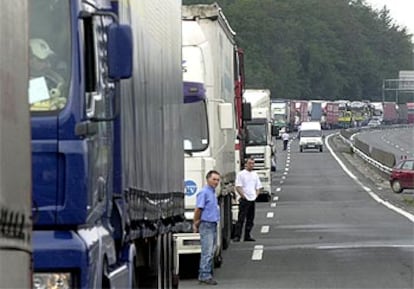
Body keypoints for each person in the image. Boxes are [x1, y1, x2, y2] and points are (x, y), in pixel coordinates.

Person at [193, 170, 221, 285]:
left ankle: (206, 273)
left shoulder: (212, 192)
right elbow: (198, 209)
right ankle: (204, 275)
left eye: (218, 180)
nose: (216, 182)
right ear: (207, 179)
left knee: (212, 250)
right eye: (214, 179)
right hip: (206, 224)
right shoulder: (204, 192)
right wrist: (196, 222)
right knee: (207, 251)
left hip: (213, 224)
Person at [233, 158, 263, 242]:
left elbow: (258, 187)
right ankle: (237, 236)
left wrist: (256, 195)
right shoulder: (241, 174)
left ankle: (247, 235)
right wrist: (243, 196)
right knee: (241, 218)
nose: (251, 165)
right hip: (244, 199)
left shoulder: (255, 174)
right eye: (250, 163)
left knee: (250, 219)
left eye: (253, 164)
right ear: (246, 164)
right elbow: (238, 186)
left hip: (252, 199)